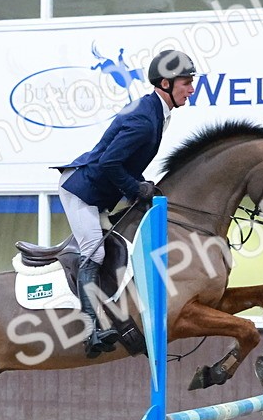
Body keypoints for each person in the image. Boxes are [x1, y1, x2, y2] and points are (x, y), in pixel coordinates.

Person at [56, 48, 198, 358]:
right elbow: (109, 163)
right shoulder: (145, 120)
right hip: (82, 191)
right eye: (186, 82)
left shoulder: (157, 111)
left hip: (103, 191)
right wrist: (137, 189)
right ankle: (90, 329)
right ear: (165, 84)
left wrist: (143, 187)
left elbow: (125, 163)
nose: (191, 88)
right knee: (94, 248)